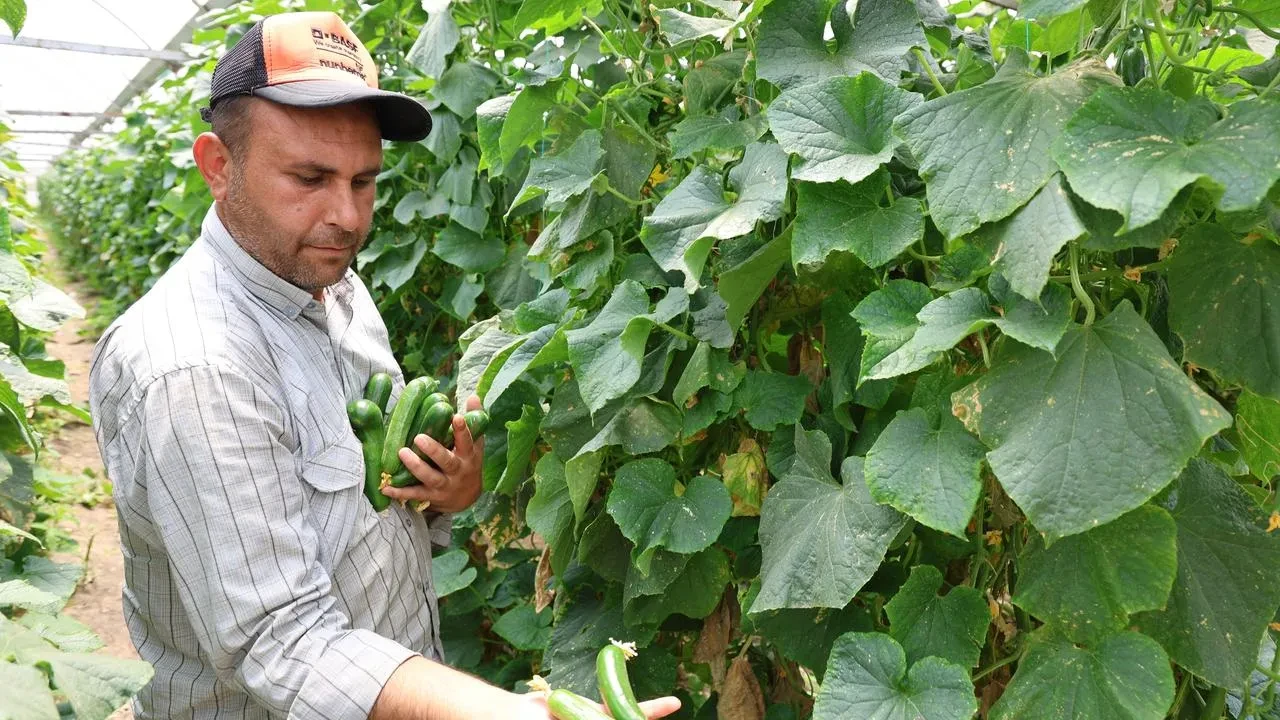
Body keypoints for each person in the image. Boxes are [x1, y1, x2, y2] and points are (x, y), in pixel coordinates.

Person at [88, 11, 680, 720]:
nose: (347, 215)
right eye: (310, 178)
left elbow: (370, 497)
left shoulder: (331, 283)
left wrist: (444, 492)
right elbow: (283, 640)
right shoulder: (194, 367)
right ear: (218, 166)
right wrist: (511, 714)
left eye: (364, 181)